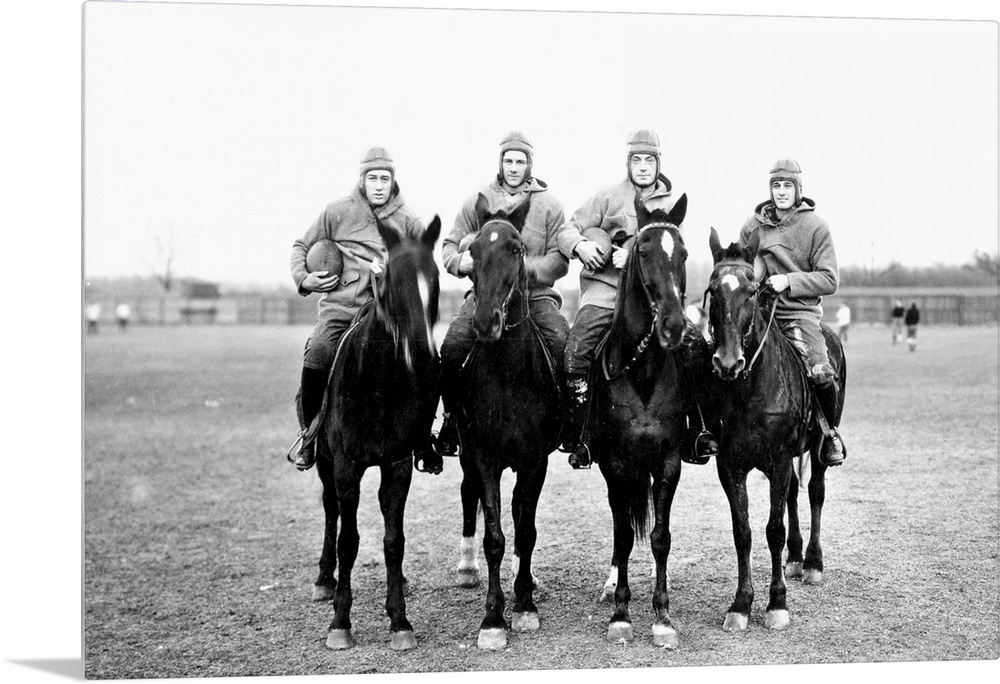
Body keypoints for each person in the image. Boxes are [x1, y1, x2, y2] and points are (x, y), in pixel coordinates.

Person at [555, 128, 717, 469]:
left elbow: (672, 253)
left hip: (652, 301)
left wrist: (632, 254)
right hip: (605, 293)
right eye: (636, 160)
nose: (643, 167)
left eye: (649, 160)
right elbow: (568, 229)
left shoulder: (671, 205)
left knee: (695, 350)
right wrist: (581, 246)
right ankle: (581, 432)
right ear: (628, 163)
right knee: (574, 353)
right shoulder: (607, 196)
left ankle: (698, 430)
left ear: (658, 164)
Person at [288, 146, 431, 471]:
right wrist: (305, 278)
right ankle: (309, 436)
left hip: (387, 316)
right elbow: (301, 247)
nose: (379, 185)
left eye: (385, 178)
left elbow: (423, 262)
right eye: (373, 178)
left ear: (393, 181)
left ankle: (423, 440)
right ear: (362, 179)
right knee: (319, 353)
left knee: (426, 360)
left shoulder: (409, 220)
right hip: (339, 310)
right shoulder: (336, 212)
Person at [433, 131, 570, 457]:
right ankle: (451, 421)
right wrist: (460, 262)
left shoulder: (549, 205)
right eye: (508, 160)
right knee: (452, 347)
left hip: (534, 297)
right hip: (487, 297)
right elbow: (450, 245)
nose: (513, 167)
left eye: (520, 161)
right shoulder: (477, 200)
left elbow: (559, 259)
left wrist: (526, 269)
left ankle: (568, 424)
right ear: (500, 162)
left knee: (565, 344)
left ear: (529, 164)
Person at [738, 159, 845, 467]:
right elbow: (742, 263)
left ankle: (829, 434)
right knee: (722, 358)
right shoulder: (753, 225)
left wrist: (788, 280)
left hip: (799, 314)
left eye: (787, 186)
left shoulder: (816, 227)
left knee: (820, 373)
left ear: (799, 189)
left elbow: (830, 279)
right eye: (776, 186)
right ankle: (714, 431)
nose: (781, 192)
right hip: (759, 313)